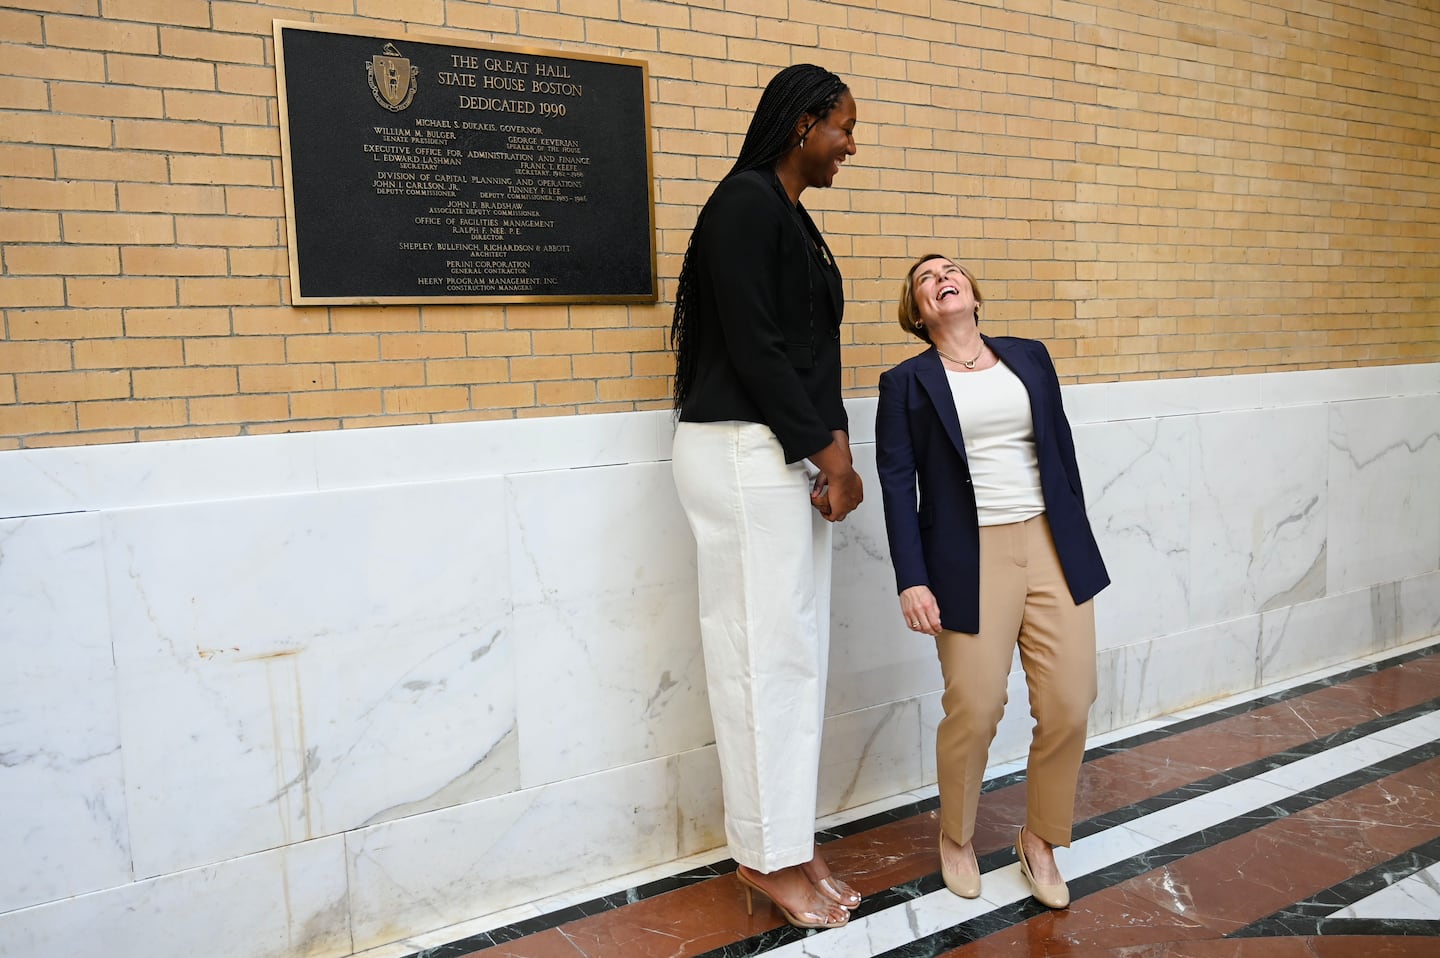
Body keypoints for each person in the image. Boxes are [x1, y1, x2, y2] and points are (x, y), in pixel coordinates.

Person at [669, 63, 863, 931]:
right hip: (745, 452)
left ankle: (789, 838)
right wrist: (828, 453)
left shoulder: (790, 215)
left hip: (782, 453)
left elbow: (811, 348)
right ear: (802, 124)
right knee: (761, 660)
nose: (849, 148)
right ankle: (764, 857)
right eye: (843, 129)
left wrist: (836, 448)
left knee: (792, 659)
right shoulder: (745, 203)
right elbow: (754, 347)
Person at [874, 254, 1110, 909]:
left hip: (1051, 544)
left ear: (973, 293)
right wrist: (912, 579)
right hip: (965, 559)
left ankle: (1040, 840)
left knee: (1070, 700)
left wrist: (1078, 539)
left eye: (950, 271)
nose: (941, 278)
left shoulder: (1029, 357)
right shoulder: (907, 384)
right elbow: (898, 488)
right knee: (975, 709)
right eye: (925, 279)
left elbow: (1060, 450)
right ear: (918, 312)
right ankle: (956, 836)